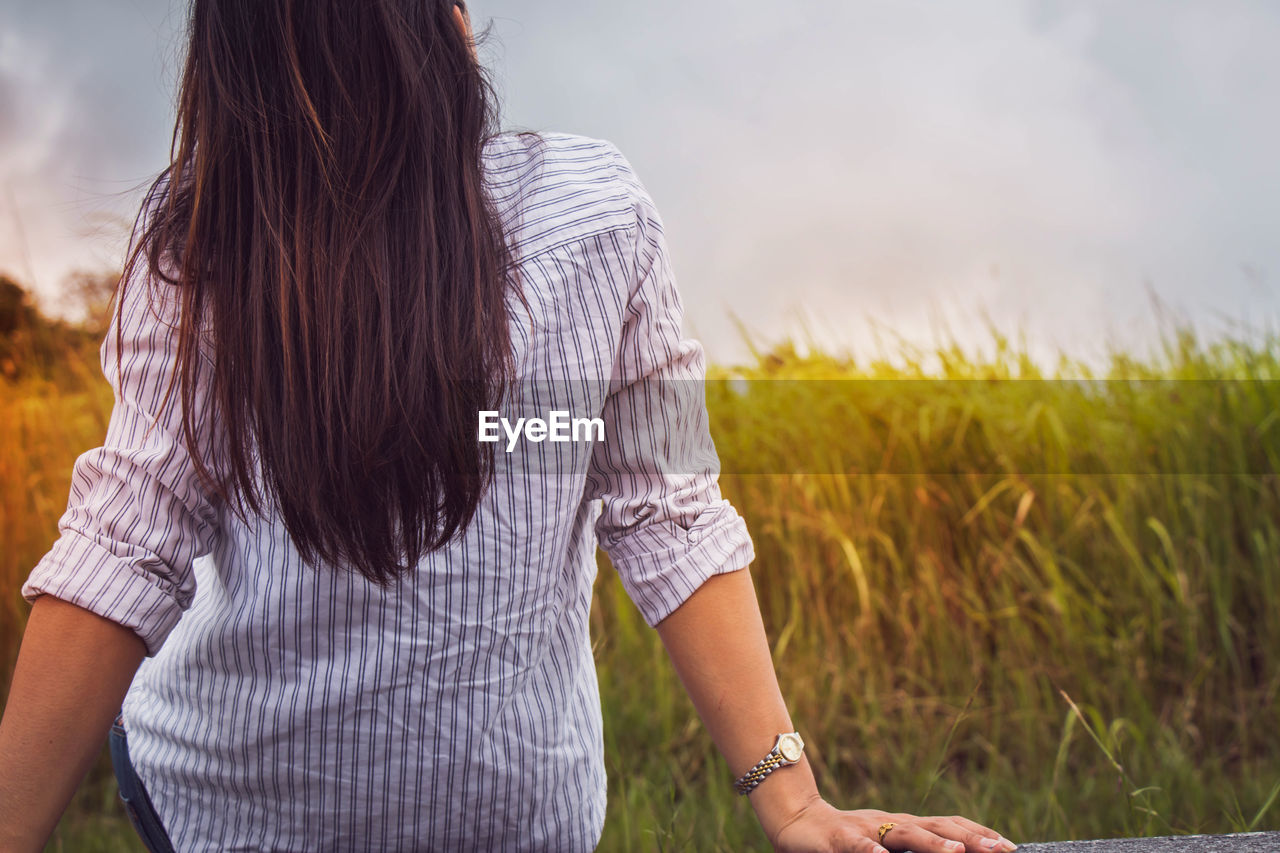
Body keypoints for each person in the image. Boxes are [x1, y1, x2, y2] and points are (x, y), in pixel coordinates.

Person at [0, 2, 1020, 851]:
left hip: (429, 808)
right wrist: (788, 798)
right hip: (239, 809)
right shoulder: (212, 234)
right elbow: (668, 509)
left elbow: (123, 543)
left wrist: (791, 797)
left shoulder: (583, 217)